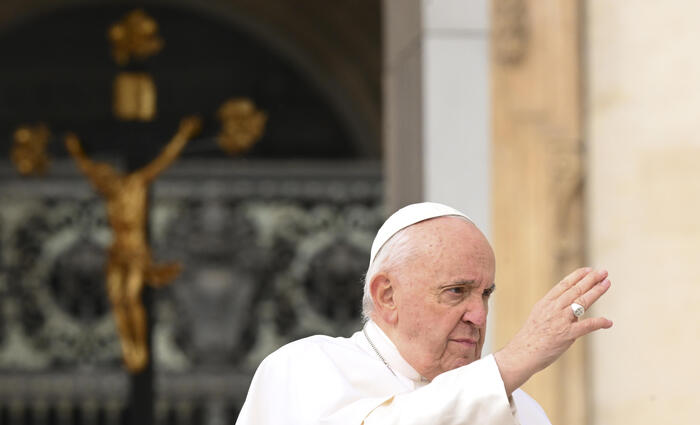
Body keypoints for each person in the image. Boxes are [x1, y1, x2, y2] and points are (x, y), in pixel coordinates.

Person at [236, 202, 612, 424]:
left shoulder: (521, 411)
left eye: (485, 294)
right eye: (456, 292)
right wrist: (511, 364)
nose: (478, 316)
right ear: (387, 296)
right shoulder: (305, 367)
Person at [65, 116, 201, 372]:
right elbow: (86, 168)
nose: (101, 183)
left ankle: (139, 347)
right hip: (117, 252)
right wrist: (75, 150)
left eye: (103, 179)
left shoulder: (135, 184)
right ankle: (129, 348)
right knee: (117, 298)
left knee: (131, 297)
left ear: (110, 175)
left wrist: (183, 135)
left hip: (136, 251)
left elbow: (164, 160)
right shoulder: (111, 192)